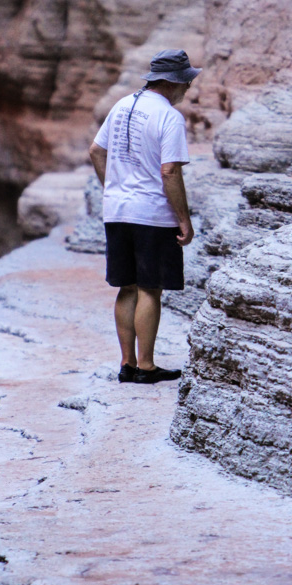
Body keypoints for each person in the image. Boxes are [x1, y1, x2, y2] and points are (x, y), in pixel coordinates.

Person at [89, 49, 201, 384]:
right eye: (186, 82)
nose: (188, 89)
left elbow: (96, 150)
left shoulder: (123, 105)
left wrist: (112, 188)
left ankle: (127, 364)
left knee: (127, 287)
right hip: (152, 213)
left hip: (117, 211)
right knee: (151, 289)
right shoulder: (168, 116)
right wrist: (184, 219)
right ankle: (147, 367)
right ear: (172, 82)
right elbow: (169, 172)